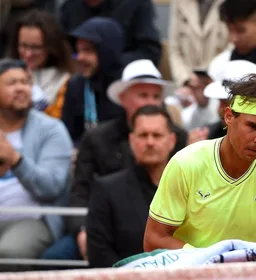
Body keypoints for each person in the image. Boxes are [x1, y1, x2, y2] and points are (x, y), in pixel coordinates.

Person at [40, 59, 187, 262]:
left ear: (169, 140)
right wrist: (82, 229)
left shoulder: (178, 136)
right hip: (100, 220)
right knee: (55, 257)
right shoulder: (97, 137)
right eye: (142, 95)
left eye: (155, 96)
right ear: (123, 98)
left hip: (157, 224)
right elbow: (80, 191)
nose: (150, 102)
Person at [143, 74, 256, 250]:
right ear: (229, 116)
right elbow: (154, 238)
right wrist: (208, 265)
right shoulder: (185, 163)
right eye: (252, 126)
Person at [0, 59, 72, 271]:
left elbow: (51, 187)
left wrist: (16, 160)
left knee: (8, 255)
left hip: (33, 220)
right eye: (12, 83)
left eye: (26, 82)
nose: (22, 88)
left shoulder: (51, 129)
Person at [87, 105, 177, 268]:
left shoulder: (187, 189)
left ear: (172, 141)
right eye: (143, 135)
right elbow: (99, 253)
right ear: (131, 140)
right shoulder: (106, 190)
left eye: (157, 135)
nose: (150, 142)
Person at [61, 17, 125, 144]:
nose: (80, 57)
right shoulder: (76, 85)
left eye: (87, 50)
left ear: (107, 51)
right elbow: (68, 135)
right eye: (78, 51)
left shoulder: (127, 86)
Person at [8, 9, 74, 118]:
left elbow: (55, 122)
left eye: (36, 47)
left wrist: (32, 86)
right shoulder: (4, 74)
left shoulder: (66, 81)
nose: (28, 54)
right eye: (23, 46)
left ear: (51, 47)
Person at [59, 0, 162, 65]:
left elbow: (149, 53)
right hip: (80, 79)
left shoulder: (137, 4)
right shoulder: (70, 6)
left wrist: (106, 60)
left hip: (122, 80)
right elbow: (63, 50)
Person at [168, 0, 229, 88]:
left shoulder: (229, 3)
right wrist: (185, 79)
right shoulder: (179, 3)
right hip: (188, 84)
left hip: (220, 83)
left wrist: (213, 76)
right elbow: (174, 49)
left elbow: (233, 46)